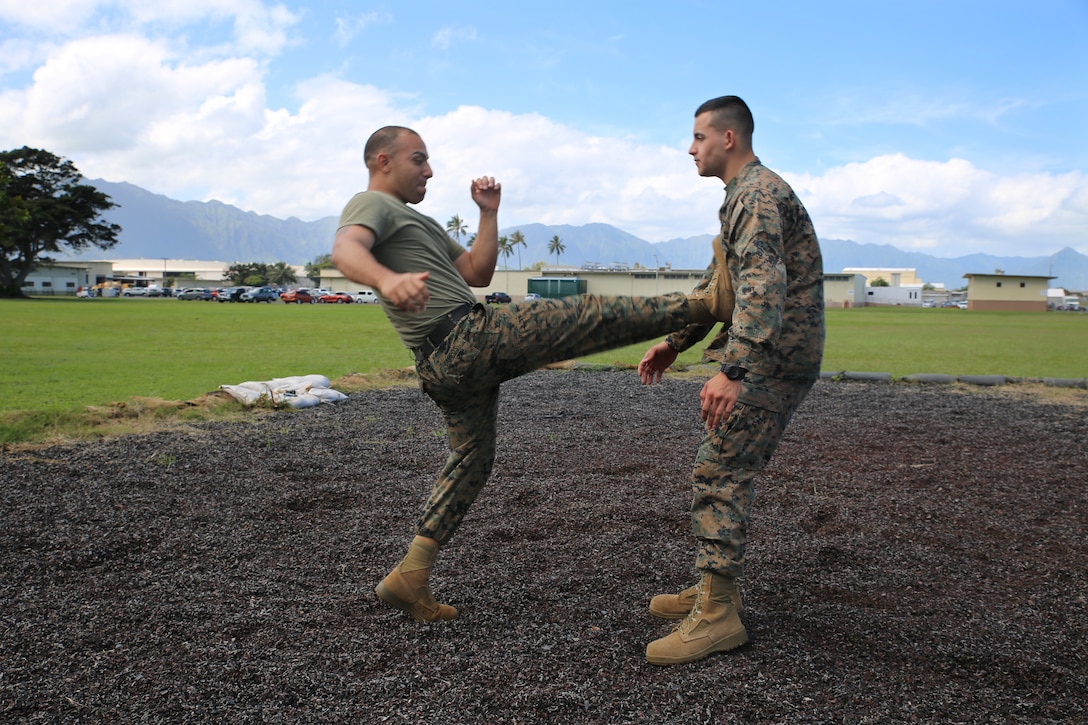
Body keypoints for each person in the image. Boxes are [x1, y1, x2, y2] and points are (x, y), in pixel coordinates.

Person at [331, 125, 718, 623]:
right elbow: (345, 251)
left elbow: (477, 272)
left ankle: (410, 573)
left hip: (442, 363)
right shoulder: (371, 206)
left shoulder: (415, 222)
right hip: (464, 338)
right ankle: (708, 301)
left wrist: (488, 214)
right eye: (418, 160)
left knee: (471, 461)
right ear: (382, 161)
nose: (429, 170)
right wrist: (387, 279)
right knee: (583, 316)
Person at [637, 96, 825, 666]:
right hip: (771, 353)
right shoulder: (742, 197)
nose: (689, 149)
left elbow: (764, 283)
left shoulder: (756, 195)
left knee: (719, 469)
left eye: (697, 137)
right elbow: (722, 288)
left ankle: (718, 616)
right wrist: (674, 343)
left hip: (770, 358)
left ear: (728, 139)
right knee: (720, 465)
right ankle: (715, 589)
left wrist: (734, 368)